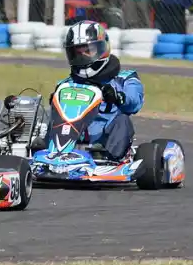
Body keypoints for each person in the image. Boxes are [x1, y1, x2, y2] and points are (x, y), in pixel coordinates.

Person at [58, 20, 142, 161]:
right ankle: (50, 152)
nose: (83, 57)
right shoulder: (67, 84)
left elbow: (135, 103)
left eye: (88, 51)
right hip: (72, 133)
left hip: (105, 137)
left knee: (123, 120)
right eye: (77, 53)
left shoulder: (124, 79)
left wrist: (118, 96)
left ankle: (109, 159)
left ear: (103, 49)